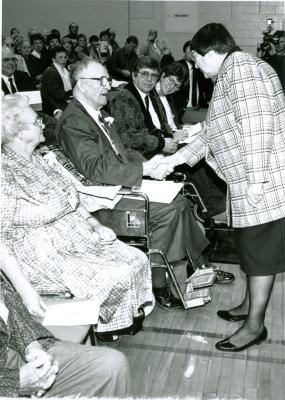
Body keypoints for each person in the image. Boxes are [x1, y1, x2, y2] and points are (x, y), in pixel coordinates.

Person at [153, 23, 285, 351]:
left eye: (196, 61)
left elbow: (257, 127)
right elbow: (213, 132)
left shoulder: (242, 72)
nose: (196, 68)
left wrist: (256, 182)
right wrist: (172, 161)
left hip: (263, 184)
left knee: (260, 257)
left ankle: (255, 326)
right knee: (251, 253)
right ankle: (249, 307)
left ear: (210, 52)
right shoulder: (234, 72)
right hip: (251, 183)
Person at [55, 58, 218, 310]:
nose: (107, 85)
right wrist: (143, 170)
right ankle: (160, 282)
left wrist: (150, 165)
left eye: (107, 79)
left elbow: (123, 153)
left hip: (117, 188)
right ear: (80, 85)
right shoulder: (74, 121)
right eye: (101, 80)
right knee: (170, 211)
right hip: (101, 201)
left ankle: (198, 266)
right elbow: (95, 168)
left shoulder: (99, 114)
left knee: (181, 202)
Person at [1, 94, 153, 340]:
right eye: (36, 121)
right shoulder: (5, 174)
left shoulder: (41, 158)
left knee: (135, 258)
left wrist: (95, 225)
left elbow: (73, 200)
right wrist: (26, 291)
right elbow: (1, 240)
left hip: (78, 239)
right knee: (113, 273)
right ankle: (107, 326)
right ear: (18, 133)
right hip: (43, 255)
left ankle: (116, 323)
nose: (42, 124)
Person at [0, 275, 132, 397]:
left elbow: (5, 298)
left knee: (112, 365)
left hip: (9, 348)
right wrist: (15, 381)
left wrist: (31, 345)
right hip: (5, 381)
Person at [109, 56, 178, 158]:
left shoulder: (152, 94)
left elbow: (164, 122)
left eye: (154, 75)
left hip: (158, 146)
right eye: (145, 74)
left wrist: (170, 139)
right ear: (134, 75)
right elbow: (128, 138)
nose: (149, 79)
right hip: (138, 155)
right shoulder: (123, 98)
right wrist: (162, 144)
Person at [172, 40, 213, 124]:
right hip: (183, 109)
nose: (191, 54)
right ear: (184, 52)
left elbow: (209, 89)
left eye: (193, 52)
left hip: (199, 108)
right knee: (210, 119)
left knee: (216, 115)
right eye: (188, 51)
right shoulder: (178, 67)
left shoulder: (200, 69)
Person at [40, 46, 73, 116]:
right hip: (54, 106)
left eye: (65, 57)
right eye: (60, 57)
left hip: (61, 102)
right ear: (53, 59)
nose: (64, 60)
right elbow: (57, 95)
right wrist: (74, 93)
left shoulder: (64, 70)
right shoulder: (51, 72)